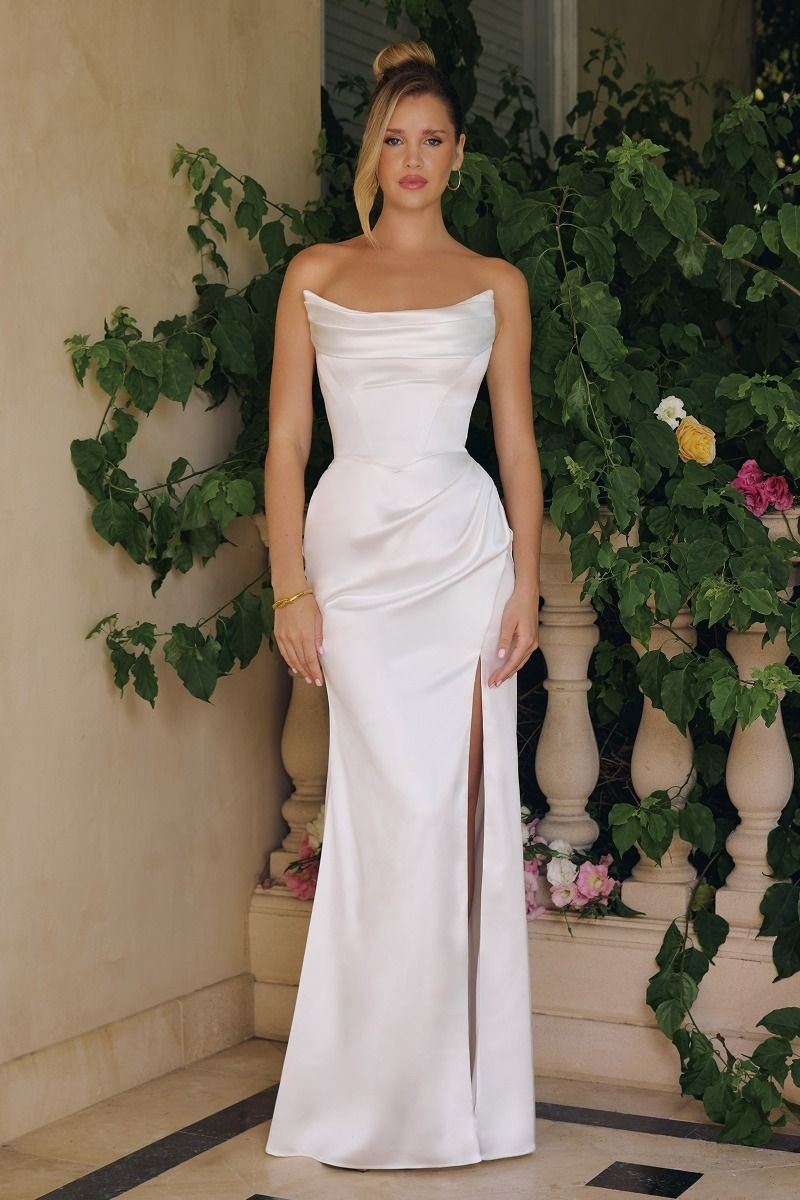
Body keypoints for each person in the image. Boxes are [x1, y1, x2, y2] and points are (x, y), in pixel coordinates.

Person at [263, 38, 543, 1172]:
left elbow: (516, 446)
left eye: (433, 140)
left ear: (460, 156)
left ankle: (453, 1101)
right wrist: (290, 584)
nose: (413, 157)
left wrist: (524, 575)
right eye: (395, 138)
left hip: (461, 560)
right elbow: (284, 444)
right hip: (355, 570)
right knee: (382, 827)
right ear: (369, 151)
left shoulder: (496, 285)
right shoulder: (314, 275)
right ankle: (357, 1097)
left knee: (452, 820)